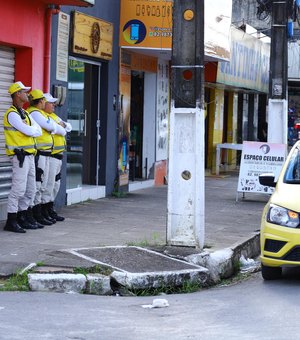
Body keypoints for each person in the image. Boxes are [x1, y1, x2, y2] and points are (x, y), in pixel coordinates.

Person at [3, 81, 42, 233]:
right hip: (20, 157)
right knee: (18, 189)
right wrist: (31, 130)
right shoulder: (11, 114)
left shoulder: (24, 113)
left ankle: (22, 217)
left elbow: (36, 130)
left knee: (30, 189)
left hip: (30, 156)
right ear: (17, 94)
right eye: (24, 92)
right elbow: (28, 131)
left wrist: (32, 130)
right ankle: (11, 221)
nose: (27, 94)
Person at [27, 89, 57, 226]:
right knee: (38, 185)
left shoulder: (40, 113)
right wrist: (51, 127)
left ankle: (39, 213)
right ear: (40, 101)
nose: (46, 103)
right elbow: (50, 127)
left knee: (43, 185)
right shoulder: (34, 113)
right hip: (39, 154)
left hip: (45, 154)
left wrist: (52, 127)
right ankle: (34, 214)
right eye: (44, 100)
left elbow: (54, 128)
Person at [42, 93, 72, 221]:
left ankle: (50, 208)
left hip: (58, 156)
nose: (54, 104)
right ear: (43, 104)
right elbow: (63, 130)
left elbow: (68, 127)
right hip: (51, 155)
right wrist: (62, 127)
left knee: (56, 184)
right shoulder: (44, 117)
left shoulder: (53, 116)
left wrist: (63, 126)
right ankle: (44, 211)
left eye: (54, 102)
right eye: (51, 102)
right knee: (48, 184)